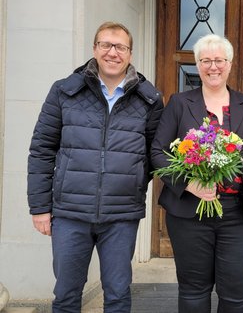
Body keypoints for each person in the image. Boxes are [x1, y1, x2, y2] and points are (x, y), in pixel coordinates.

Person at [27, 22, 164, 312]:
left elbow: (154, 155)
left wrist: (134, 184)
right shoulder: (64, 91)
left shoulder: (149, 99)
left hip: (121, 215)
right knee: (66, 295)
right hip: (69, 214)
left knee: (117, 295)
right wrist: (40, 207)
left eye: (120, 47)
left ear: (130, 53)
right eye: (106, 45)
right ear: (94, 49)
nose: (113, 52)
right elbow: (41, 150)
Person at [151, 34, 243, 312]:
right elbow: (157, 152)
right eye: (206, 61)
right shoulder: (179, 102)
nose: (213, 67)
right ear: (197, 64)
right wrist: (189, 184)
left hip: (237, 214)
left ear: (230, 63)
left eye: (219, 60)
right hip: (190, 213)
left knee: (237, 292)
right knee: (193, 291)